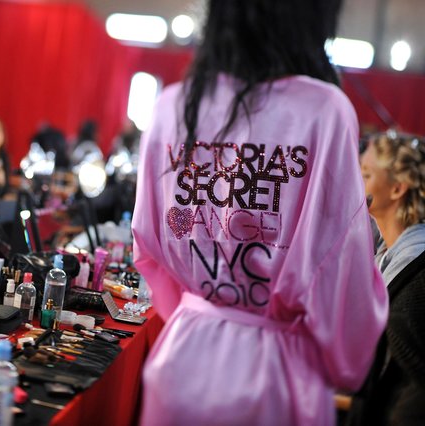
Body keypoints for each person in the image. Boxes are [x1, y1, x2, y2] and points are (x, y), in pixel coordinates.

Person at [131, 1, 388, 425]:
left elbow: (148, 244)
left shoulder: (174, 106)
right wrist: (348, 359)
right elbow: (339, 267)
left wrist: (206, 301)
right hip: (276, 372)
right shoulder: (324, 110)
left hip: (182, 360)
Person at [347, 132, 425, 425]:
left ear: (397, 189)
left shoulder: (415, 266)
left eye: (366, 174)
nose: (355, 180)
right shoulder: (387, 252)